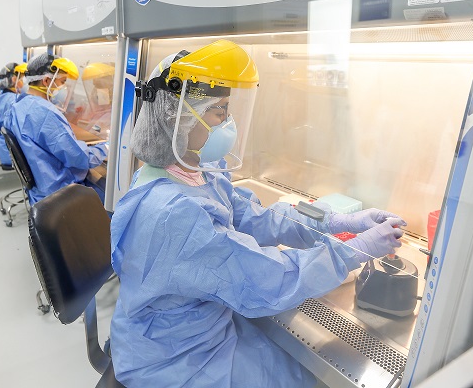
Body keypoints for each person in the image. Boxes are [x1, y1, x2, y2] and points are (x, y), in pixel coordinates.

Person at [109, 40, 407, 387]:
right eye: (219, 111)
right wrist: (354, 250)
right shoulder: (173, 213)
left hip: (204, 330)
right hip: (176, 359)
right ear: (179, 117)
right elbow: (265, 280)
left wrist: (333, 221)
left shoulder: (192, 171)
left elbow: (255, 217)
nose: (228, 122)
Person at [3, 53, 109, 205]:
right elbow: (79, 158)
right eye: (63, 82)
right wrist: (106, 148)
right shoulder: (44, 112)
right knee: (109, 194)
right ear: (46, 81)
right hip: (61, 193)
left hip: (40, 192)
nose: (64, 87)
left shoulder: (19, 106)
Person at [0, 62, 26, 166]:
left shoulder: (4, 97)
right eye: (23, 78)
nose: (25, 82)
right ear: (14, 79)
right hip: (13, 153)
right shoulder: (13, 100)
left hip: (7, 149)